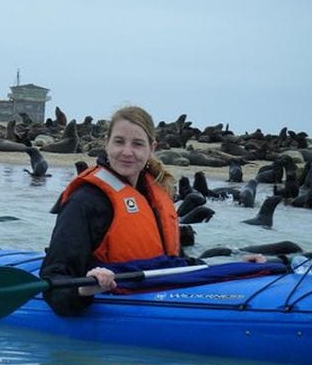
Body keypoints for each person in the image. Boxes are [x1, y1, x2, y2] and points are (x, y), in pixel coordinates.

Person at [40, 105, 262, 316]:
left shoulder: (155, 194)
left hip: (159, 285)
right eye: (119, 142)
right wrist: (85, 288)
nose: (127, 152)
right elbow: (55, 278)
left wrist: (233, 267)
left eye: (137, 144)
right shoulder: (85, 201)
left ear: (152, 148)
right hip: (109, 293)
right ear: (106, 144)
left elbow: (172, 263)